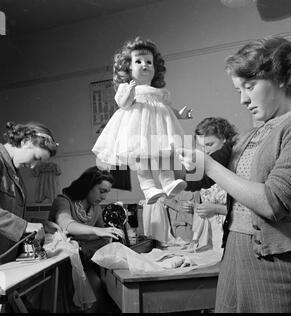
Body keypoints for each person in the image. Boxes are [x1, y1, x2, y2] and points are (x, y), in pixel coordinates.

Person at [178, 36, 291, 312]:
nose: (244, 99)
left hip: (278, 265)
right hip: (235, 252)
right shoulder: (247, 138)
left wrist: (207, 165)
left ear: (281, 77)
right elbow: (198, 178)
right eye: (238, 91)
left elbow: (273, 203)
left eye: (249, 86)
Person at [92, 36, 192, 205]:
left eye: (149, 62)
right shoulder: (128, 88)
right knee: (141, 159)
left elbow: (166, 109)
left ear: (155, 67)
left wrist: (179, 114)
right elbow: (123, 104)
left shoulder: (160, 92)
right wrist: (130, 91)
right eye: (138, 62)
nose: (144, 65)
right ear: (128, 67)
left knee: (164, 155)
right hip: (137, 130)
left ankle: (168, 183)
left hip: (159, 129)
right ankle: (148, 187)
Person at [166, 117, 237, 251]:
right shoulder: (204, 168)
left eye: (210, 144)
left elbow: (248, 211)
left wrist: (216, 209)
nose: (205, 151)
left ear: (225, 139)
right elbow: (196, 183)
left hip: (234, 233)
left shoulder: (237, 166)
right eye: (201, 146)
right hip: (212, 235)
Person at [0, 121, 58, 264]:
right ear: (26, 141)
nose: (33, 166)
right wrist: (25, 226)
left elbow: (12, 215)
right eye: (36, 158)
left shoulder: (15, 175)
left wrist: (39, 223)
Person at [48, 166, 124, 263]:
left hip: (85, 260)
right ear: (88, 186)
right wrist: (95, 231)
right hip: (60, 261)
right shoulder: (63, 201)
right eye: (101, 191)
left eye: (106, 192)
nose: (104, 197)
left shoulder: (95, 208)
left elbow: (104, 235)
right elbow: (66, 224)